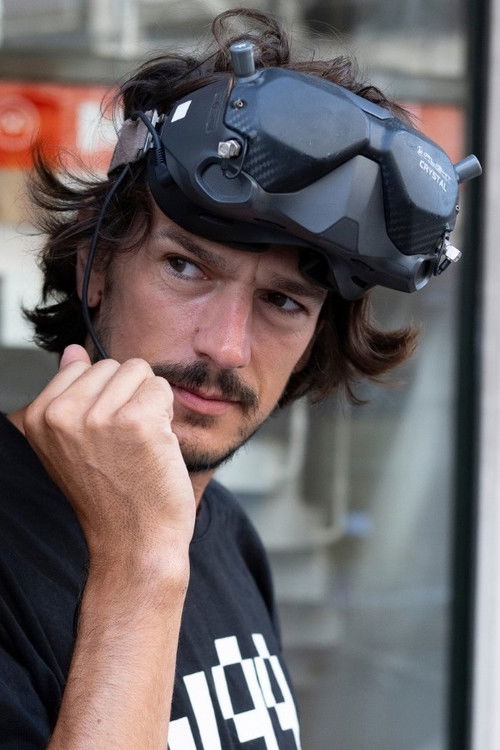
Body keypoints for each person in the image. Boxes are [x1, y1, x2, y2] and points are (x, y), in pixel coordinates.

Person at [1, 7, 448, 749]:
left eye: (283, 302)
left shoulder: (230, 534)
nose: (227, 348)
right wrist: (140, 566)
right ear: (96, 270)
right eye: (186, 268)